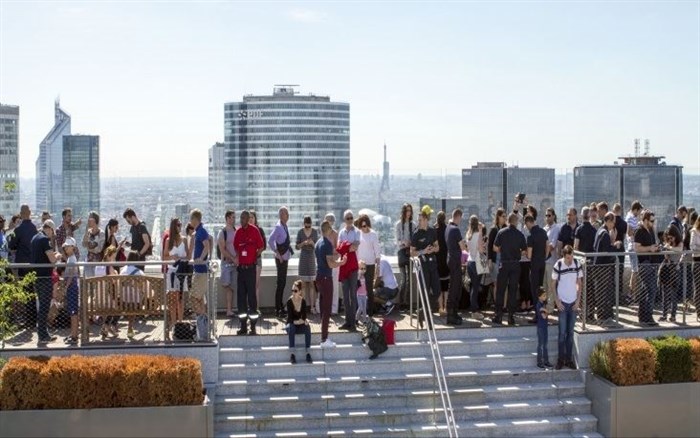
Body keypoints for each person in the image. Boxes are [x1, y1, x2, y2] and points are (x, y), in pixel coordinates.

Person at [315, 219, 347, 348]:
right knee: (327, 309)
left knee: (323, 308)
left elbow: (325, 259)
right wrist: (341, 263)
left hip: (319, 277)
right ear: (328, 230)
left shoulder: (318, 243)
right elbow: (330, 263)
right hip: (326, 278)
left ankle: (323, 336)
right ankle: (324, 339)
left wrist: (336, 258)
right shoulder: (327, 243)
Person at [30, 219, 63, 344]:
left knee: (42, 307)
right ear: (48, 228)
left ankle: (44, 333)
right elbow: (52, 260)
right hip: (45, 277)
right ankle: (43, 335)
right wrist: (58, 256)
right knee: (44, 307)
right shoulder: (44, 240)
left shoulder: (34, 238)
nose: (52, 235)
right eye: (52, 231)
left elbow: (41, 256)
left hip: (37, 277)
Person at [233, 210, 265, 335]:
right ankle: (243, 326)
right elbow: (236, 247)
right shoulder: (238, 232)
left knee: (252, 299)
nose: (241, 220)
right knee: (241, 299)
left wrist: (253, 256)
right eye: (240, 218)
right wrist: (239, 258)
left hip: (251, 269)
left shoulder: (254, 230)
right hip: (241, 270)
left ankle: (253, 327)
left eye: (244, 218)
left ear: (248, 219)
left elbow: (261, 246)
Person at [493, 213, 527, 326]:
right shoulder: (520, 234)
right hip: (515, 265)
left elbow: (495, 248)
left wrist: (503, 250)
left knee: (500, 290)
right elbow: (524, 251)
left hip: (504, 264)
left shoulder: (501, 232)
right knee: (513, 290)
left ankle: (498, 315)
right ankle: (511, 317)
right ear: (516, 222)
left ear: (508, 221)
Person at [552, 245, 582, 370]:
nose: (570, 261)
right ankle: (560, 359)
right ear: (563, 256)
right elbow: (553, 285)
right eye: (568, 258)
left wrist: (578, 301)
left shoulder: (576, 264)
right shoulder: (558, 265)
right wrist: (557, 302)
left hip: (573, 302)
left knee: (570, 333)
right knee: (562, 333)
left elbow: (579, 283)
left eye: (571, 258)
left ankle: (569, 359)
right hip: (563, 303)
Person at [411, 205, 441, 324]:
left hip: (432, 264)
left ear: (426, 220)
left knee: (437, 291)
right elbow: (412, 253)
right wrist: (423, 251)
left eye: (421, 220)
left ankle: (422, 311)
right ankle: (427, 317)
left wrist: (432, 250)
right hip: (422, 265)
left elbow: (438, 247)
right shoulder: (416, 234)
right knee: (425, 291)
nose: (419, 222)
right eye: (418, 220)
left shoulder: (432, 231)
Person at [592, 212, 624, 327]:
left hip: (599, 267)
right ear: (609, 221)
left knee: (602, 292)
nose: (614, 225)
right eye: (613, 222)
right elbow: (607, 252)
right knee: (604, 293)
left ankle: (603, 317)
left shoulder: (599, 231)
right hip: (603, 268)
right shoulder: (604, 233)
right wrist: (616, 245)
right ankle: (604, 318)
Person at [634, 210, 662, 326]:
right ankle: (647, 316)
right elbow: (637, 248)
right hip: (644, 264)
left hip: (651, 263)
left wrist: (655, 248)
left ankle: (643, 316)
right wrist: (650, 248)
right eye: (651, 221)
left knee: (646, 290)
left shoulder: (650, 230)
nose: (653, 223)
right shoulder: (639, 231)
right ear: (645, 220)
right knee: (651, 289)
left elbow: (649, 246)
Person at [337, 209, 360, 331]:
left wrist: (345, 246)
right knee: (345, 295)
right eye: (348, 218)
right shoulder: (341, 232)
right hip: (344, 265)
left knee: (353, 295)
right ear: (344, 220)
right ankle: (347, 321)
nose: (350, 220)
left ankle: (353, 322)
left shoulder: (356, 231)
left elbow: (355, 247)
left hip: (353, 266)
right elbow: (339, 248)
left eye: (352, 218)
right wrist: (347, 246)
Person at [269, 206, 293, 318]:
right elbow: (270, 240)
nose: (287, 215)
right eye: (285, 213)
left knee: (282, 283)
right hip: (281, 259)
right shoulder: (278, 227)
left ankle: (280, 306)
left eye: (287, 213)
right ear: (280, 215)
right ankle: (278, 308)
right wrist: (277, 254)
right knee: (280, 283)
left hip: (285, 257)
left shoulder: (284, 226)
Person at [190, 209, 211, 339]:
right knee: (199, 298)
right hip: (199, 270)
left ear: (195, 219)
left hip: (201, 270)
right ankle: (202, 325)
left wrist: (201, 259)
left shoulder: (201, 232)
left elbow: (206, 245)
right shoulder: (199, 231)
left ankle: (202, 320)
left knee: (194, 297)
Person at [165, 217, 189, 327]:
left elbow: (188, 256)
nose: (180, 227)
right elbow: (164, 257)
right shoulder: (168, 241)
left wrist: (181, 258)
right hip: (172, 271)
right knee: (172, 298)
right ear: (173, 226)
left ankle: (180, 322)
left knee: (180, 298)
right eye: (178, 225)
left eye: (180, 224)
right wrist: (172, 257)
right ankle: (174, 323)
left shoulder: (184, 239)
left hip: (181, 271)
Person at [574, 207, 597, 322]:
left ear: (582, 215)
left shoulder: (579, 229)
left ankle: (583, 313)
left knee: (581, 289)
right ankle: (591, 313)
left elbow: (575, 247)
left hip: (581, 263)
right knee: (591, 289)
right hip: (591, 263)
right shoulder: (594, 230)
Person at [526, 214, 549, 324]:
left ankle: (537, 315)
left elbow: (529, 255)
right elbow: (547, 245)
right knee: (541, 288)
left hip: (534, 264)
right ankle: (543, 312)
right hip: (542, 263)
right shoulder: (543, 232)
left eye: (526, 225)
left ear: (528, 223)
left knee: (535, 290)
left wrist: (526, 253)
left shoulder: (530, 236)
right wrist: (545, 256)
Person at [356, 214, 381, 317]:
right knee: (358, 288)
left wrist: (378, 267)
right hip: (360, 265)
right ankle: (358, 313)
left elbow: (377, 252)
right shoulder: (358, 234)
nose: (364, 228)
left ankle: (370, 314)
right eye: (362, 226)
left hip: (370, 265)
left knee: (369, 289)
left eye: (365, 225)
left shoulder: (373, 234)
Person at [445, 209, 466, 325]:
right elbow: (462, 247)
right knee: (455, 287)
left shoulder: (448, 228)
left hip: (450, 259)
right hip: (455, 261)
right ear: (458, 217)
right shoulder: (456, 229)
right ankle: (452, 314)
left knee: (453, 285)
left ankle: (452, 312)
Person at [119, 250, 146, 339]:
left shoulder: (122, 270)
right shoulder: (139, 272)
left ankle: (130, 327)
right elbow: (143, 285)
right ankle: (130, 327)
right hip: (135, 301)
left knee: (131, 301)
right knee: (139, 295)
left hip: (124, 300)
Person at [659, 226, 683, 322]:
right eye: (668, 237)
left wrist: (670, 247)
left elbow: (679, 250)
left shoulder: (679, 243)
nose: (670, 239)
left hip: (675, 270)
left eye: (672, 237)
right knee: (665, 294)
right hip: (667, 269)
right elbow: (665, 254)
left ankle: (673, 315)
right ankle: (664, 314)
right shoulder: (668, 242)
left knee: (673, 294)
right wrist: (666, 247)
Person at [295, 215, 318, 314]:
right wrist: (303, 243)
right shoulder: (300, 232)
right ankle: (303, 307)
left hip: (311, 258)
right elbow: (296, 246)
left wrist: (312, 243)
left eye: (309, 226)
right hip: (303, 258)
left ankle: (312, 307)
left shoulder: (315, 232)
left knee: (312, 284)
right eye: (306, 226)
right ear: (304, 224)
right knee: (303, 284)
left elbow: (317, 246)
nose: (307, 228)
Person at [286, 280, 312, 364]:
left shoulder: (303, 301)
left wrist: (305, 321)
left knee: (307, 327)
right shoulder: (289, 302)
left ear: (300, 292)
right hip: (292, 325)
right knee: (291, 327)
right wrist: (298, 321)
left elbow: (304, 317)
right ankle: (292, 354)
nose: (293, 292)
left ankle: (308, 352)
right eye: (292, 290)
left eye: (295, 291)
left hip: (299, 325)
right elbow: (290, 319)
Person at [395, 203, 415, 310]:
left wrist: (411, 243)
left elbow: (416, 239)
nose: (409, 213)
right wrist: (404, 243)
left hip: (410, 253)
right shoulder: (399, 224)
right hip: (402, 253)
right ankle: (401, 301)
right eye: (407, 210)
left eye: (410, 210)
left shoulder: (413, 224)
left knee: (410, 279)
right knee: (404, 278)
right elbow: (397, 241)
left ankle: (407, 302)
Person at [218, 210, 238, 318]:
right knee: (227, 285)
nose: (232, 220)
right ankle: (228, 309)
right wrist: (232, 258)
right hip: (226, 263)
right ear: (226, 219)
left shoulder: (236, 231)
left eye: (234, 218)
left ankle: (230, 309)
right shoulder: (223, 233)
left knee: (234, 286)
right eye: (231, 218)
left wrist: (237, 258)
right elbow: (222, 249)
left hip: (235, 263)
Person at [465, 214, 484, 320]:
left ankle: (473, 308)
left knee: (473, 286)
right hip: (477, 262)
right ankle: (474, 310)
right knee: (476, 287)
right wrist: (481, 232)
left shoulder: (468, 234)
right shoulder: (478, 234)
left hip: (469, 261)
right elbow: (481, 250)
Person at [61, 237, 80, 345]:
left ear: (73, 247)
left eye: (68, 246)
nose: (66, 248)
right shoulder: (70, 258)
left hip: (72, 287)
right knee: (72, 312)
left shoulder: (72, 259)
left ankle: (74, 335)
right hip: (71, 287)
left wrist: (66, 287)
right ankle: (73, 333)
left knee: (73, 312)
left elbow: (72, 274)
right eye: (66, 246)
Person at [99, 245, 121, 338]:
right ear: (109, 256)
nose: (114, 259)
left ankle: (106, 327)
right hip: (108, 297)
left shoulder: (99, 265)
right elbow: (114, 281)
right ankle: (109, 325)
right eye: (113, 257)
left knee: (114, 306)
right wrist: (116, 273)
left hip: (99, 297)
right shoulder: (109, 267)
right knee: (119, 307)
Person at [488, 208, 507, 310]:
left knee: (504, 283)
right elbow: (489, 245)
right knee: (496, 283)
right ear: (498, 217)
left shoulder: (506, 228)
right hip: (496, 258)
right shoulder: (493, 229)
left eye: (505, 216)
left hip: (504, 258)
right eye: (503, 216)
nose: (505, 218)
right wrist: (490, 260)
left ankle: (503, 305)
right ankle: (497, 304)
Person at [543, 208, 561, 314]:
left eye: (549, 215)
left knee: (551, 286)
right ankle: (545, 305)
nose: (547, 217)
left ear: (554, 216)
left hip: (551, 261)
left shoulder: (556, 228)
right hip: (544, 262)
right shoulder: (544, 228)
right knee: (544, 286)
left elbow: (552, 246)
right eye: (546, 215)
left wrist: (543, 248)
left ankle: (550, 308)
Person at [323, 213, 340, 315]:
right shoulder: (323, 233)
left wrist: (332, 255)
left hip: (333, 262)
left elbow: (337, 249)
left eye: (331, 220)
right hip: (324, 263)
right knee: (324, 286)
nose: (329, 221)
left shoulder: (335, 234)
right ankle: (324, 308)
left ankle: (334, 309)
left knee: (334, 286)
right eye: (328, 220)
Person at [625, 201, 643, 296]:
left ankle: (632, 294)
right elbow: (629, 232)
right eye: (639, 211)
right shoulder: (631, 218)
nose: (640, 213)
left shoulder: (632, 217)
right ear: (635, 210)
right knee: (635, 271)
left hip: (633, 247)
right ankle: (632, 294)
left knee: (635, 271)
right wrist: (638, 231)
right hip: (633, 248)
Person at [249, 210, 266, 307]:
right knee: (249, 286)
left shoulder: (260, 230)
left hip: (257, 260)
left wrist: (255, 254)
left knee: (256, 285)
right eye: (249, 217)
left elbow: (263, 246)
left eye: (252, 217)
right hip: (246, 262)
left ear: (255, 219)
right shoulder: (245, 230)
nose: (250, 219)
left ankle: (256, 307)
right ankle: (250, 307)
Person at [435, 211, 450, 316]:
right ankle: (446, 307)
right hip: (446, 260)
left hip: (437, 261)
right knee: (446, 286)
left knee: (439, 287)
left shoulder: (435, 231)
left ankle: (440, 308)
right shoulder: (448, 230)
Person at [81, 211, 105, 277]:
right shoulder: (88, 232)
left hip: (98, 262)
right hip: (89, 261)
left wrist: (89, 248)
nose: (88, 220)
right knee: (89, 282)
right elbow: (83, 244)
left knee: (97, 283)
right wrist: (86, 231)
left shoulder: (101, 233)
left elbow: (99, 249)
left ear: (95, 220)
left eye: (90, 218)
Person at [535, 287, 552, 369]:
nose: (545, 297)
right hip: (541, 327)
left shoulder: (543, 305)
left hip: (545, 327)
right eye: (544, 295)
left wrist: (546, 310)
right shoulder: (539, 305)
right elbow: (544, 316)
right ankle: (539, 361)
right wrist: (546, 311)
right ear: (539, 297)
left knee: (545, 345)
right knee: (541, 345)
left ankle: (546, 361)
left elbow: (546, 313)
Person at [690, 215, 700, 321]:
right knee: (698, 288)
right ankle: (699, 312)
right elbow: (692, 246)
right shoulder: (694, 231)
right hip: (697, 262)